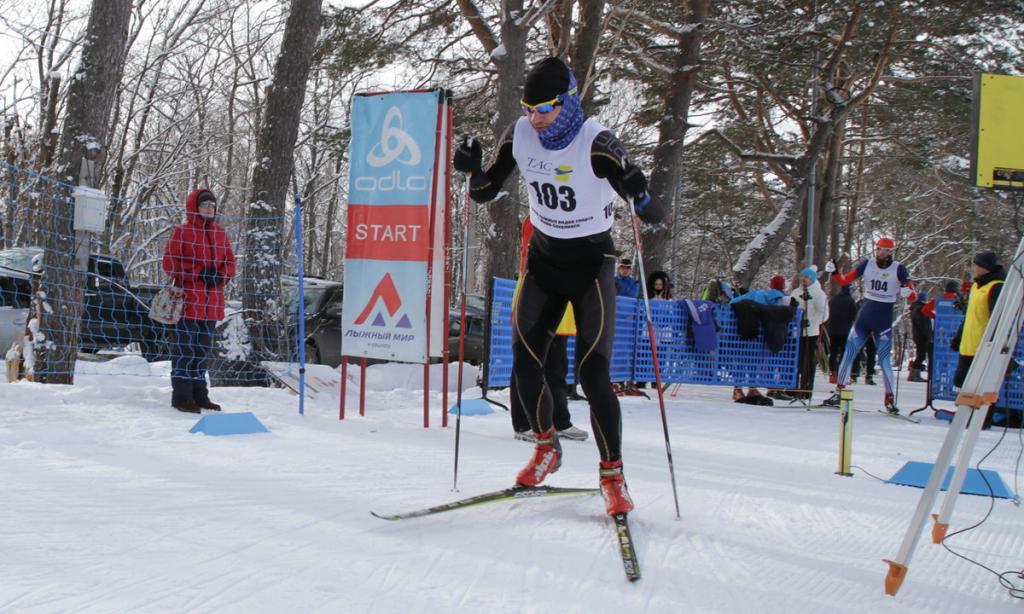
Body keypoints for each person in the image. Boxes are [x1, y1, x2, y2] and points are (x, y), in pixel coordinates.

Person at [453, 56, 662, 516]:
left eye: (544, 108)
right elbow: (488, 191)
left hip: (591, 264)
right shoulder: (522, 134)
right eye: (529, 107)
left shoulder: (598, 142)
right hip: (545, 260)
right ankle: (546, 447)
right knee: (525, 361)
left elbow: (651, 212)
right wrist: (471, 172)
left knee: (592, 375)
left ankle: (613, 476)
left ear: (567, 102)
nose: (535, 117)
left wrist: (639, 191)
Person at [511, 217, 588, 442]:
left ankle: (559, 420)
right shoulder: (536, 219)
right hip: (534, 300)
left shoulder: (576, 218)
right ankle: (524, 422)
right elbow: (532, 257)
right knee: (526, 365)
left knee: (557, 368)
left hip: (561, 305)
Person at [823, 237, 917, 413]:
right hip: (864, 318)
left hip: (883, 320)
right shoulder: (867, 264)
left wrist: (908, 293)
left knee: (884, 360)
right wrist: (835, 272)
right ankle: (840, 392)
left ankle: (889, 399)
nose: (882, 253)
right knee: (849, 353)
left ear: (891, 252)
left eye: (886, 250)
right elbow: (844, 281)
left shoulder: (899, 268)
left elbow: (913, 295)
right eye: (880, 249)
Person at [162, 189, 236, 413]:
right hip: (187, 303)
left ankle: (200, 395)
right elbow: (170, 263)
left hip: (211, 304)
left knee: (202, 352)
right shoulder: (181, 232)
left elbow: (230, 263)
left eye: (212, 206)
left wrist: (220, 276)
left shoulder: (221, 234)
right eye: (204, 205)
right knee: (186, 351)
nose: (209, 209)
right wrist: (197, 272)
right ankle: (182, 397)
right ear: (195, 207)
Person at [950, 251, 1005, 429]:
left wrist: (995, 343)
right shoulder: (976, 286)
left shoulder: (996, 286)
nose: (973, 268)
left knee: (982, 384)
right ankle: (967, 414)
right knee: (962, 381)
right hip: (969, 343)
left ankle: (982, 419)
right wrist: (958, 338)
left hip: (984, 345)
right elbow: (969, 317)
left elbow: (998, 318)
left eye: (976, 265)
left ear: (984, 267)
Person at [787, 266, 828, 400]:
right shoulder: (796, 292)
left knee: (808, 363)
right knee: (795, 361)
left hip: (811, 333)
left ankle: (806, 389)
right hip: (796, 332)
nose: (803, 279)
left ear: (812, 279)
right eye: (802, 277)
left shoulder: (818, 293)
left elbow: (824, 313)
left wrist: (811, 321)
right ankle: (791, 388)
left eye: (806, 277)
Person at [826, 284, 857, 384]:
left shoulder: (833, 299)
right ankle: (841, 373)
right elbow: (854, 316)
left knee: (833, 352)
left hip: (832, 330)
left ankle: (832, 373)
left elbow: (828, 313)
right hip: (845, 331)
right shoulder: (850, 301)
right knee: (844, 353)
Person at [908, 291, 931, 382]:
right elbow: (923, 324)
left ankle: (914, 374)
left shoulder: (915, 308)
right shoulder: (920, 309)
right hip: (921, 336)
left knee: (920, 355)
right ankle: (914, 375)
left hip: (918, 335)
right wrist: (927, 334)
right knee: (921, 356)